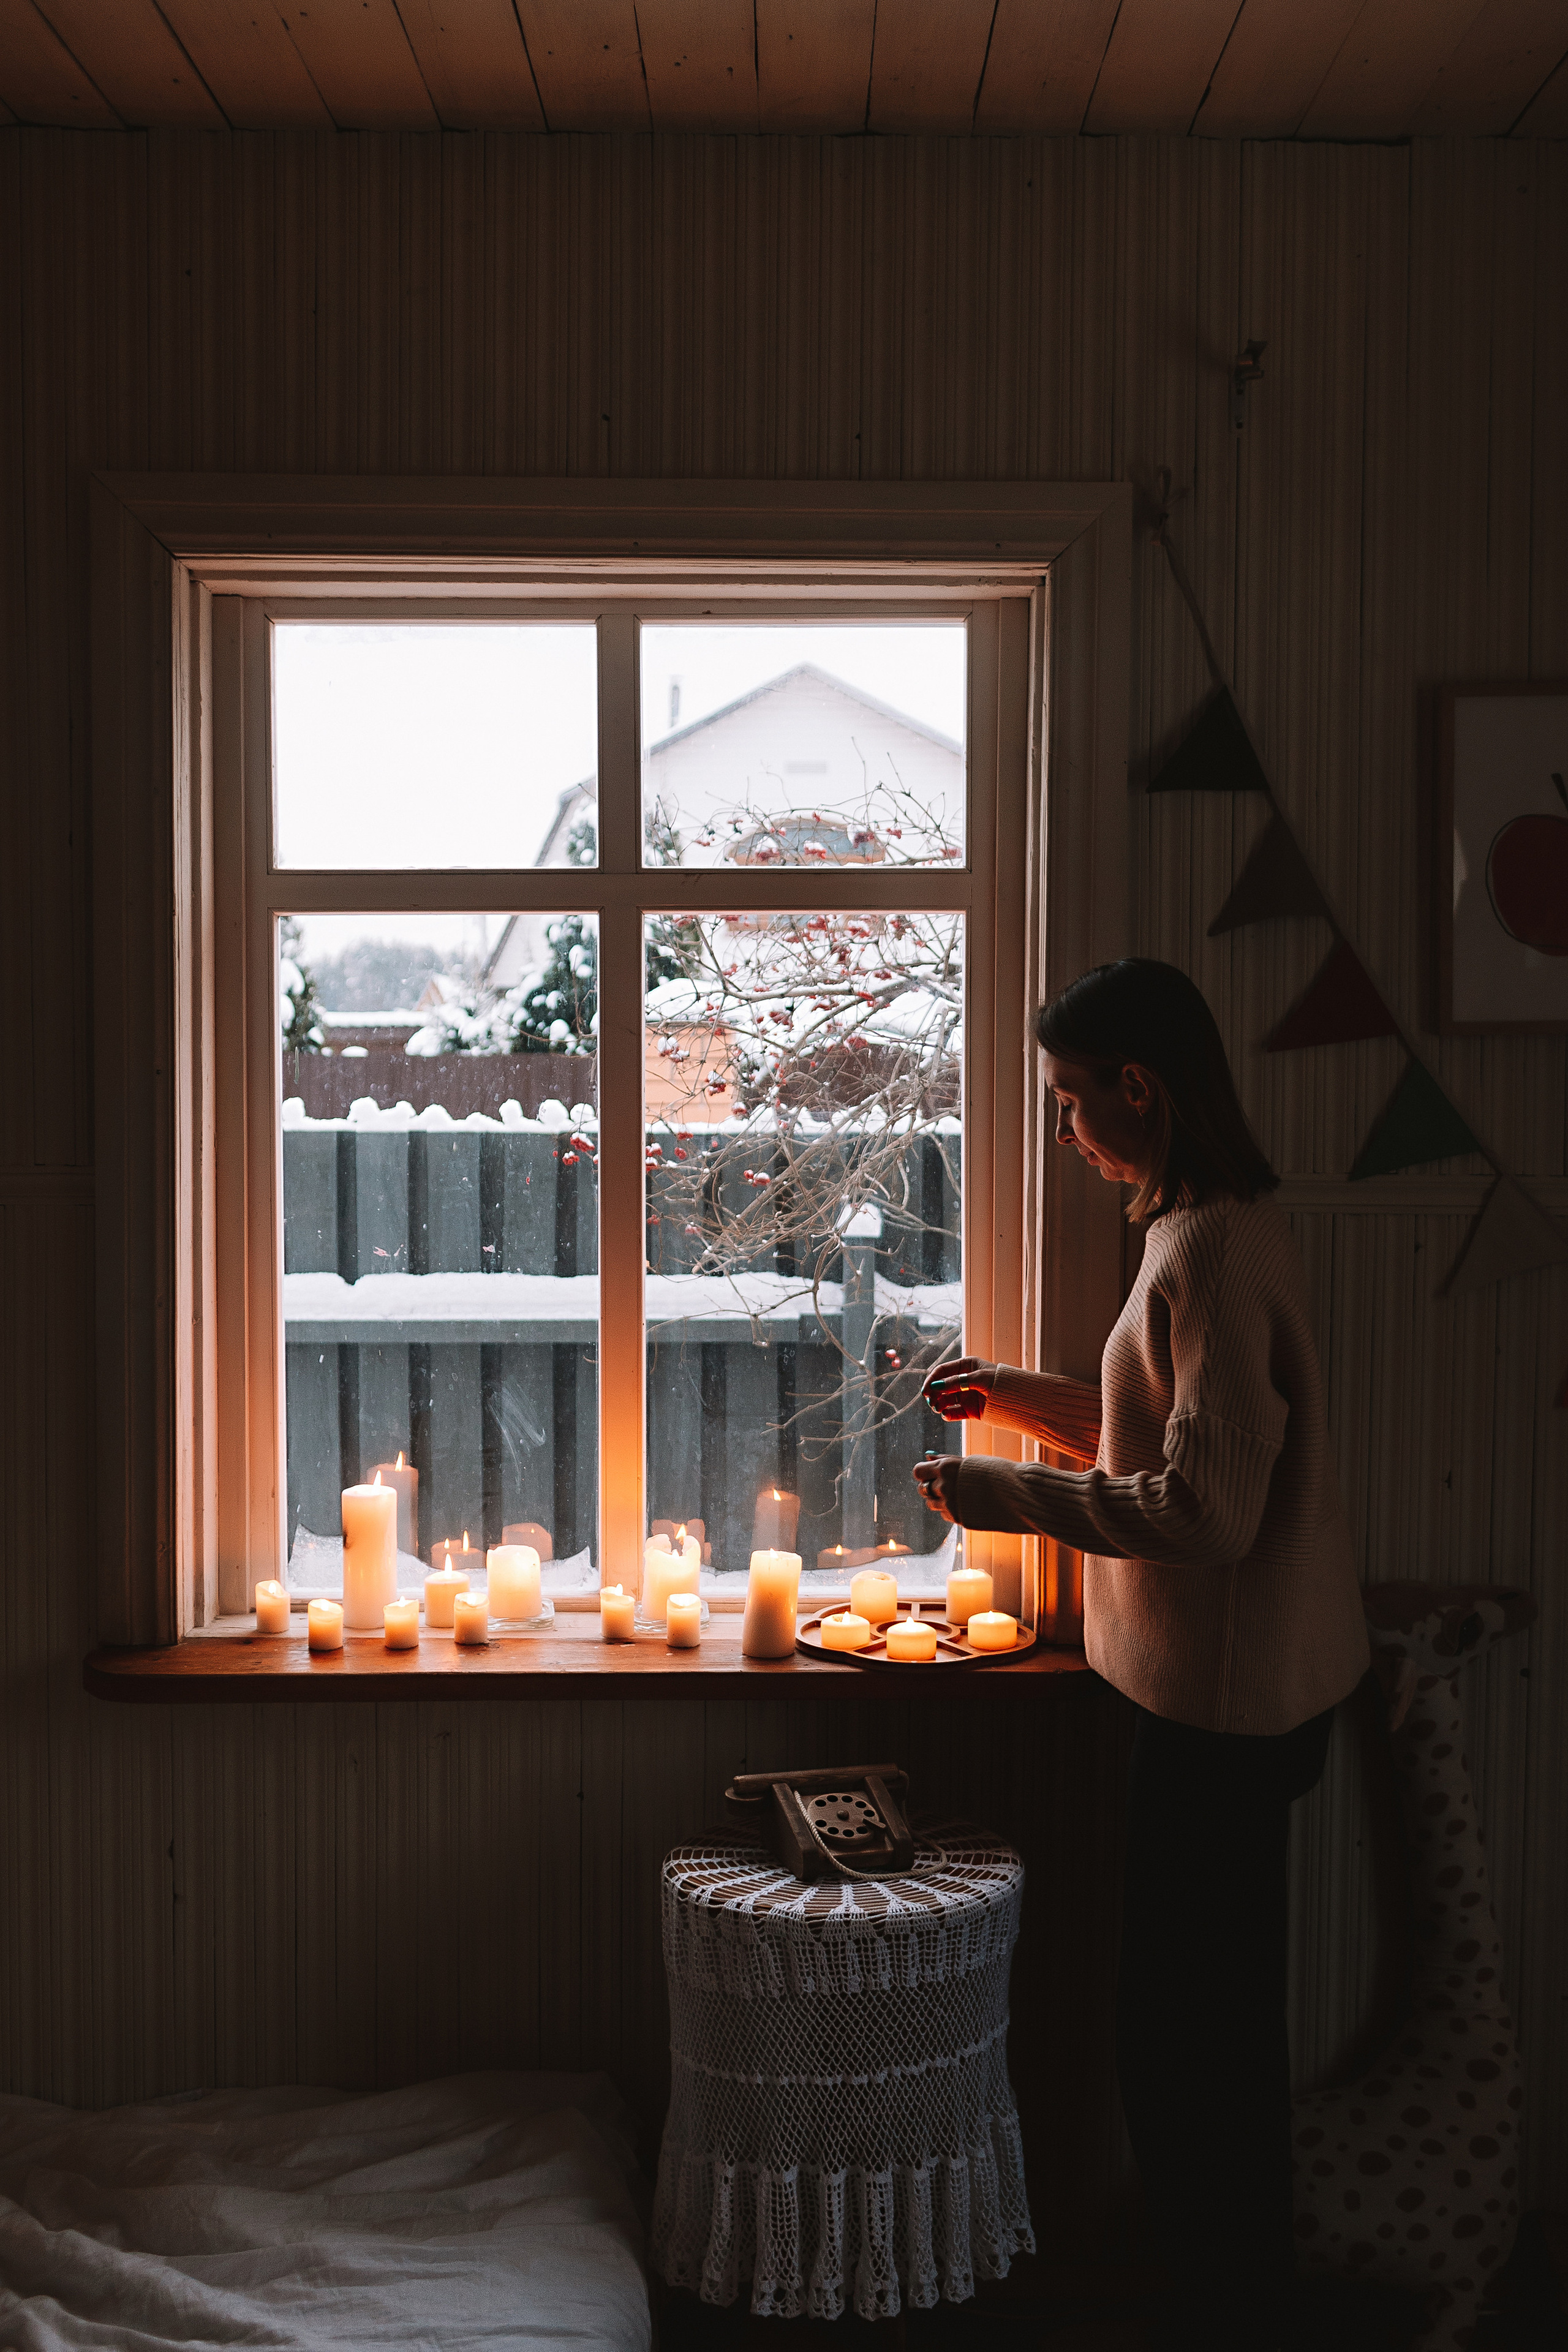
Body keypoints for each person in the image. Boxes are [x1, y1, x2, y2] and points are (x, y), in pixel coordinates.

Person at [913, 958, 1368, 2352]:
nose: (1063, 1130)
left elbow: (1203, 1514)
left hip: (1224, 1711)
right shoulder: (1204, 1226)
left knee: (1181, 2046)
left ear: (1138, 1088)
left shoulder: (1211, 1252)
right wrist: (1012, 1400)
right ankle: (1228, 2292)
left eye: (1069, 1101)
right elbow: (1160, 1438)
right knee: (1205, 2031)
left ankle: (1227, 2306)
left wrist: (1000, 1497)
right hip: (1240, 1697)